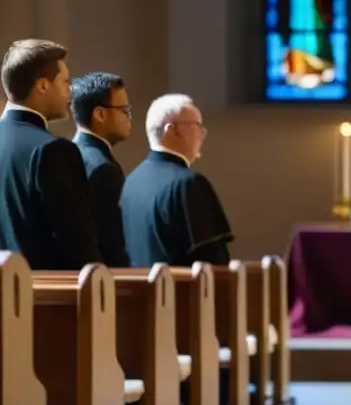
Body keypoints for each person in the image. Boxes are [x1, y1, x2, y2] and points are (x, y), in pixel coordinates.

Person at [0, 39, 102, 269]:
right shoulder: (51, 150)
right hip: (42, 297)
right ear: (43, 86)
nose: (70, 91)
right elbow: (78, 242)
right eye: (65, 82)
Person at [120, 94, 233, 267]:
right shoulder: (187, 183)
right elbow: (212, 263)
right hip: (178, 292)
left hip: (139, 292)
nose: (203, 132)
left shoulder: (131, 182)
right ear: (171, 130)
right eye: (197, 125)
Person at [70, 72, 132, 267]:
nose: (130, 117)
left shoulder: (67, 153)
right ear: (100, 114)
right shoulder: (103, 168)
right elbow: (113, 243)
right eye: (124, 110)